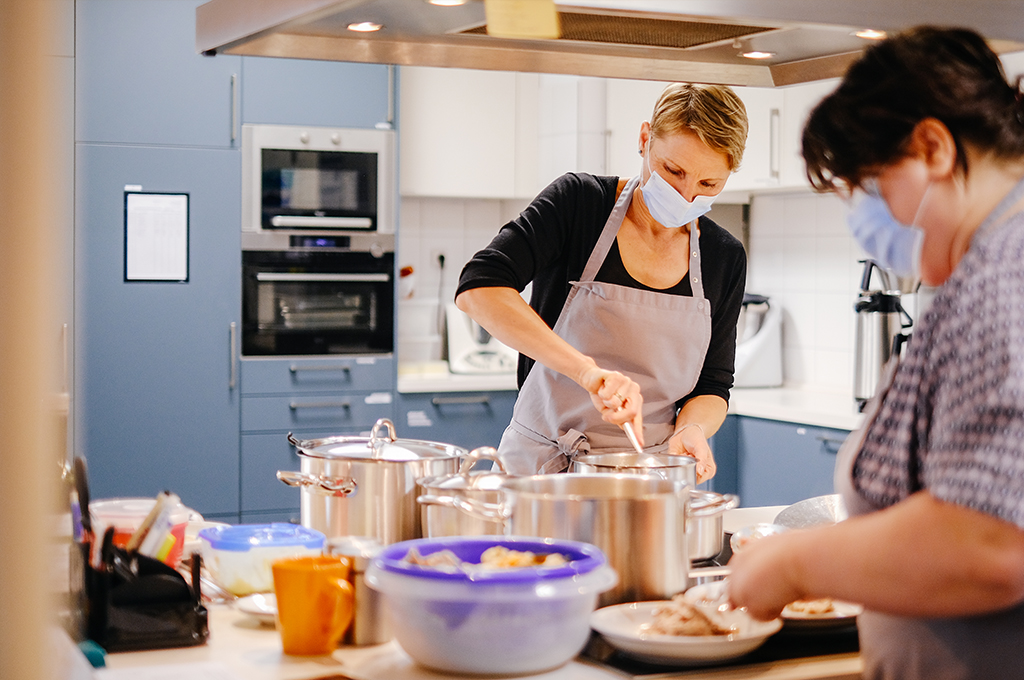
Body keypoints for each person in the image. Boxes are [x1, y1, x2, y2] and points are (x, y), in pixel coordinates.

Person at [727, 27, 1024, 680]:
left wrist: (796, 563)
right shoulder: (976, 264)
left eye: (872, 182)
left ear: (933, 147)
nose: (873, 213)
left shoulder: (1009, 267)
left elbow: (992, 540)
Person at [455, 83, 748, 481]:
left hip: (648, 480)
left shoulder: (723, 256)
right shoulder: (579, 205)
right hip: (544, 471)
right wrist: (587, 373)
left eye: (708, 185)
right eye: (673, 170)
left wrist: (692, 428)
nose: (685, 194)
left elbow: (713, 384)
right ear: (645, 139)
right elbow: (479, 288)